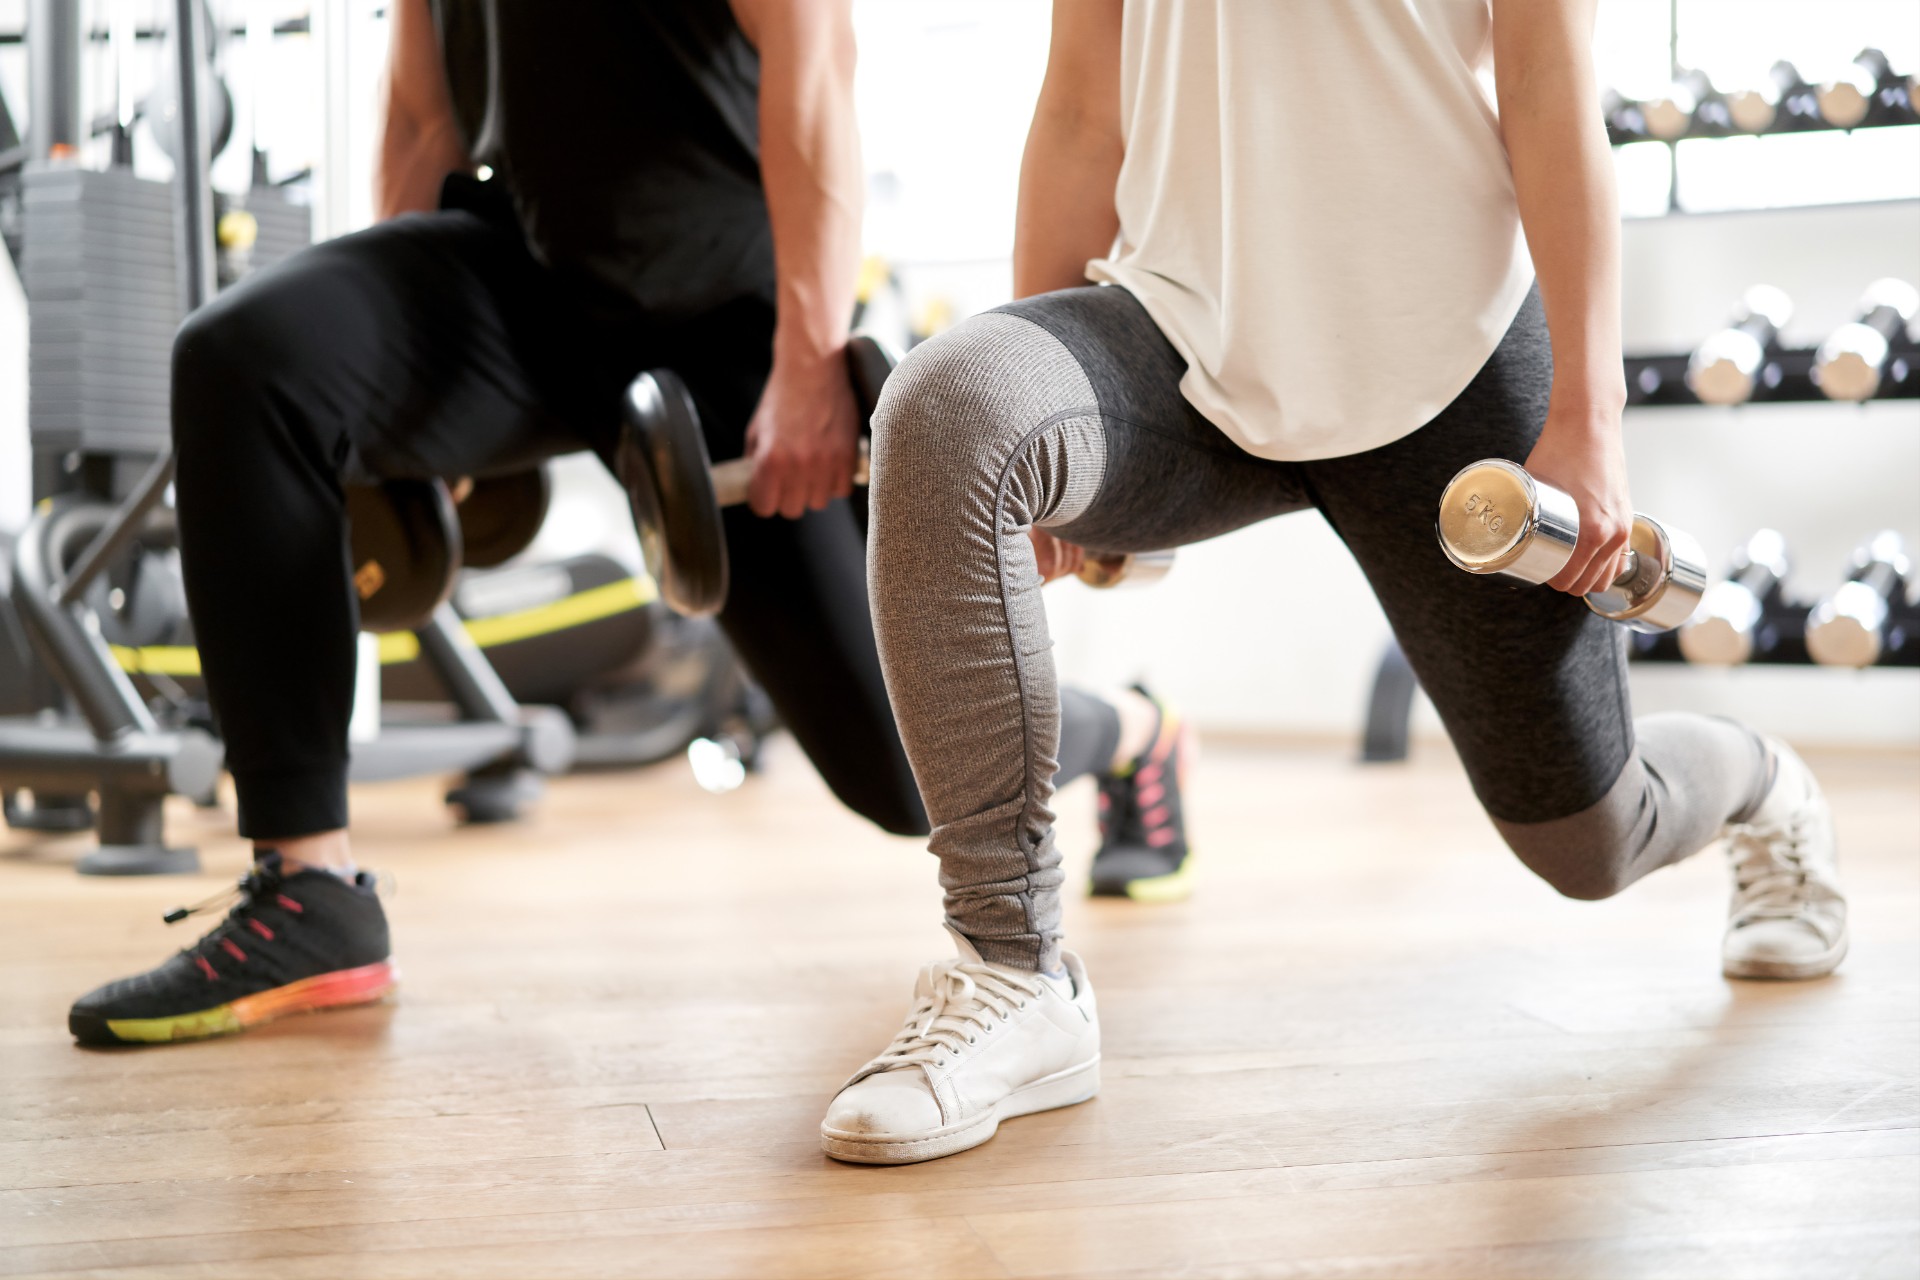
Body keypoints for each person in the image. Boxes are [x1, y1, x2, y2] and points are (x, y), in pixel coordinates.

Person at [819, 0, 1850, 1166]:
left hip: (1447, 360)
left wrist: (1589, 414)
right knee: (952, 406)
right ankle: (1013, 970)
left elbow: (1551, 86)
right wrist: (1053, 482)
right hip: (1182, 333)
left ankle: (1765, 780)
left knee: (1592, 842)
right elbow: (1078, 105)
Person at [65, 0, 1192, 1049]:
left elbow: (815, 64)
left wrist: (806, 360)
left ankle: (1134, 731)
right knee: (248, 359)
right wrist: (391, 438)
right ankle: (308, 886)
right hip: (521, 279)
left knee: (904, 771)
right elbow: (424, 111)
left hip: (721, 321)